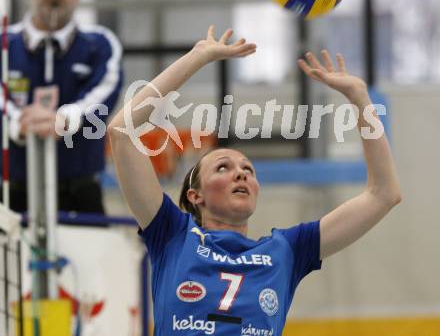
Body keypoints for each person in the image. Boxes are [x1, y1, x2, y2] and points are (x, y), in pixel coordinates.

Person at [108, 26, 402, 335]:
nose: (241, 173)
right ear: (196, 196)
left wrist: (359, 98)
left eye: (248, 170)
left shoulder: (287, 249)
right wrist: (196, 58)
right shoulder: (173, 235)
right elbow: (120, 132)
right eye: (223, 167)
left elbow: (384, 194)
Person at [0, 0, 123, 215]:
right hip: (10, 195)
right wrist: (19, 124)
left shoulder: (100, 44)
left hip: (81, 194)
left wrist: (65, 118)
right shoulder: (4, 44)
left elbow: (103, 94)